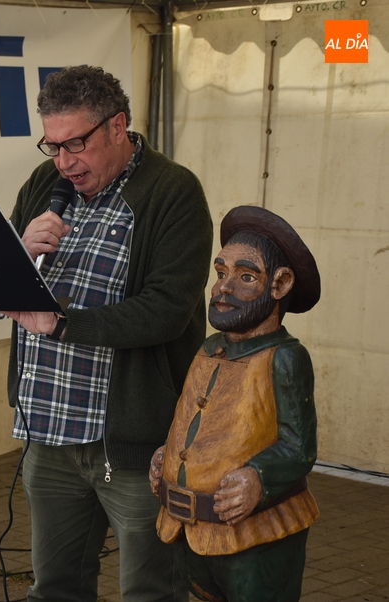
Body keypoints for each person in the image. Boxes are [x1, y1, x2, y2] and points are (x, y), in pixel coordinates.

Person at [3, 65, 213, 602]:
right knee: (55, 588)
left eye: (76, 143)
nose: (64, 162)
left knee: (150, 591)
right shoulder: (43, 184)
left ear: (117, 126)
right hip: (48, 429)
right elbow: (2, 285)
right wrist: (19, 253)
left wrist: (64, 323)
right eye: (52, 146)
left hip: (133, 445)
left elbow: (166, 311)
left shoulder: (173, 191)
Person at [149, 205, 320, 602]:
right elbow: (195, 419)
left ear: (279, 284)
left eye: (245, 276)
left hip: (257, 533)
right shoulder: (208, 349)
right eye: (220, 273)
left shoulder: (285, 358)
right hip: (190, 528)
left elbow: (299, 447)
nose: (223, 288)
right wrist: (169, 456)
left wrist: (258, 476)